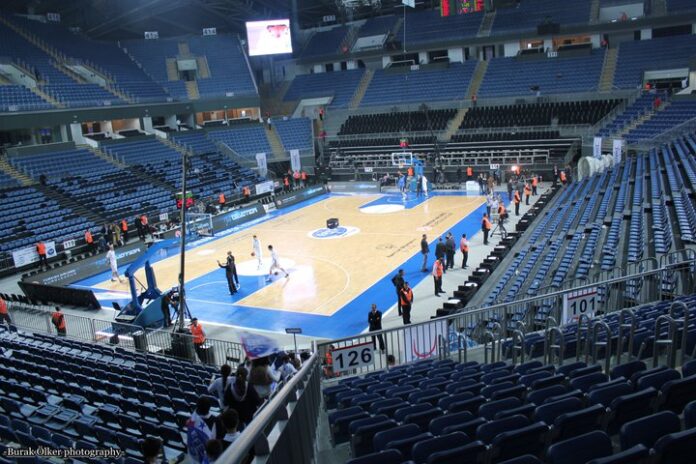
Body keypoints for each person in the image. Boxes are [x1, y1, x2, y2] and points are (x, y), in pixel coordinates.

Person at [186, 397, 218, 464]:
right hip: (210, 452)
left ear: (198, 408)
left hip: (196, 454)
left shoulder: (192, 420)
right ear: (209, 407)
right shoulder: (216, 420)